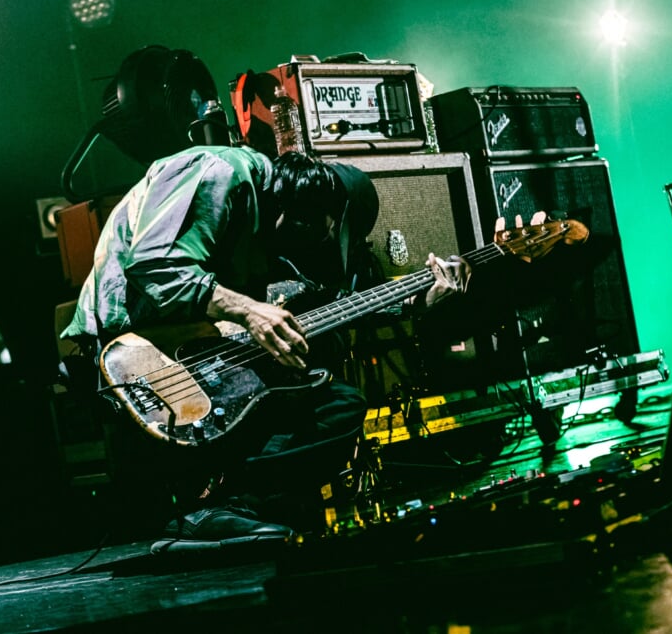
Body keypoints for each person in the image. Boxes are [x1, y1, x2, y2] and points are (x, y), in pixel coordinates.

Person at [60, 144, 472, 552]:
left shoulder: (267, 230)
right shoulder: (220, 171)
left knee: (337, 404)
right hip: (138, 351)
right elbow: (157, 267)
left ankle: (230, 506)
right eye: (322, 232)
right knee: (330, 402)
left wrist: (418, 301)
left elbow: (323, 305)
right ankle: (214, 506)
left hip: (197, 354)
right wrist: (248, 311)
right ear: (305, 212)